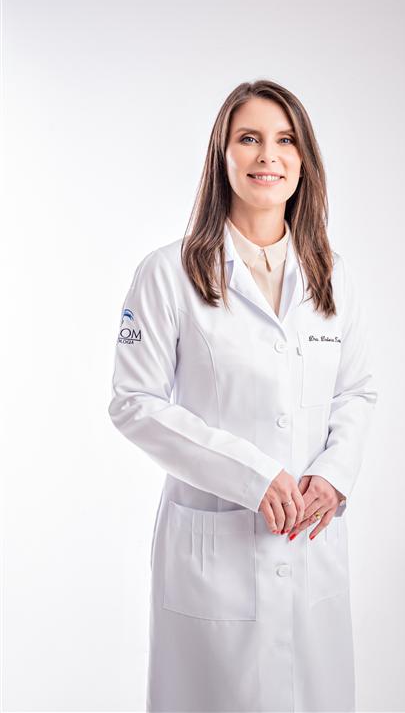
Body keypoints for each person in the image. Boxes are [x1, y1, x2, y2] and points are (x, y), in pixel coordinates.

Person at [108, 78, 378, 713]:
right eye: (249, 139)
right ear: (222, 155)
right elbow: (134, 402)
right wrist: (254, 477)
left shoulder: (331, 276)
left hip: (308, 547)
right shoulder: (168, 273)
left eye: (285, 140)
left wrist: (333, 475)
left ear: (304, 161)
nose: (268, 156)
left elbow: (357, 390)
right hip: (214, 556)